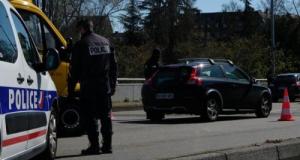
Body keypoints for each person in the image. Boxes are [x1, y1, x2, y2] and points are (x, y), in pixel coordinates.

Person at [68, 19, 117, 155]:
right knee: (106, 116)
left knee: (90, 117)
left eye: (79, 30)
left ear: (83, 29)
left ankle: (94, 146)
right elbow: (114, 66)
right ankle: (107, 146)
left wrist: (71, 91)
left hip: (89, 87)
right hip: (104, 86)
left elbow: (74, 71)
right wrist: (112, 85)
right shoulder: (106, 42)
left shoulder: (81, 45)